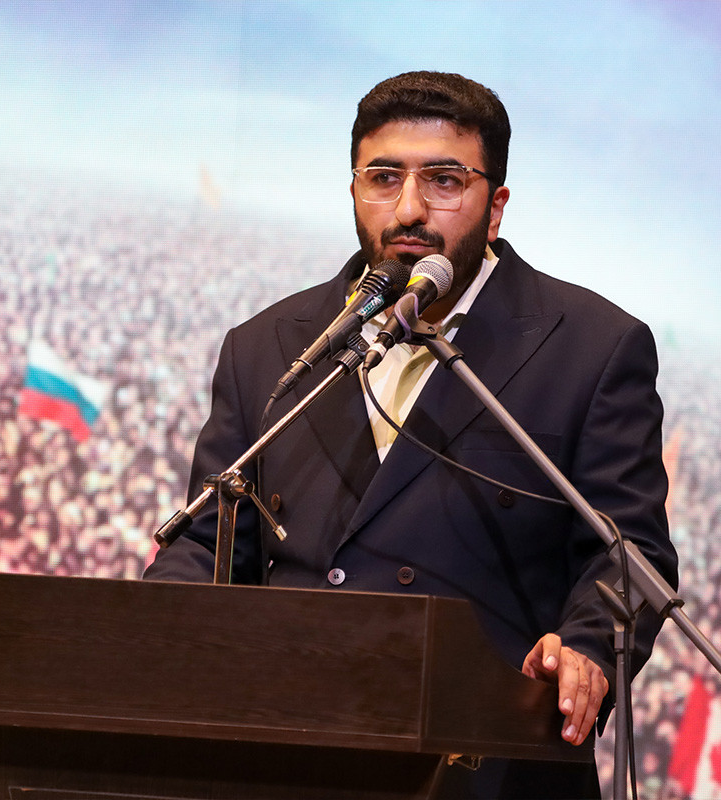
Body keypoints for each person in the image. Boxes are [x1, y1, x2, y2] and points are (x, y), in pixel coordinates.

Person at [144, 71, 678, 799]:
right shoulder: (270, 346)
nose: (409, 209)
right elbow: (209, 544)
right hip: (288, 756)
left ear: (495, 207)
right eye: (384, 178)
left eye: (445, 181)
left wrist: (585, 649)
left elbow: (630, 555)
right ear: (354, 190)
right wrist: (151, 627)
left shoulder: (591, 347)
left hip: (486, 762)